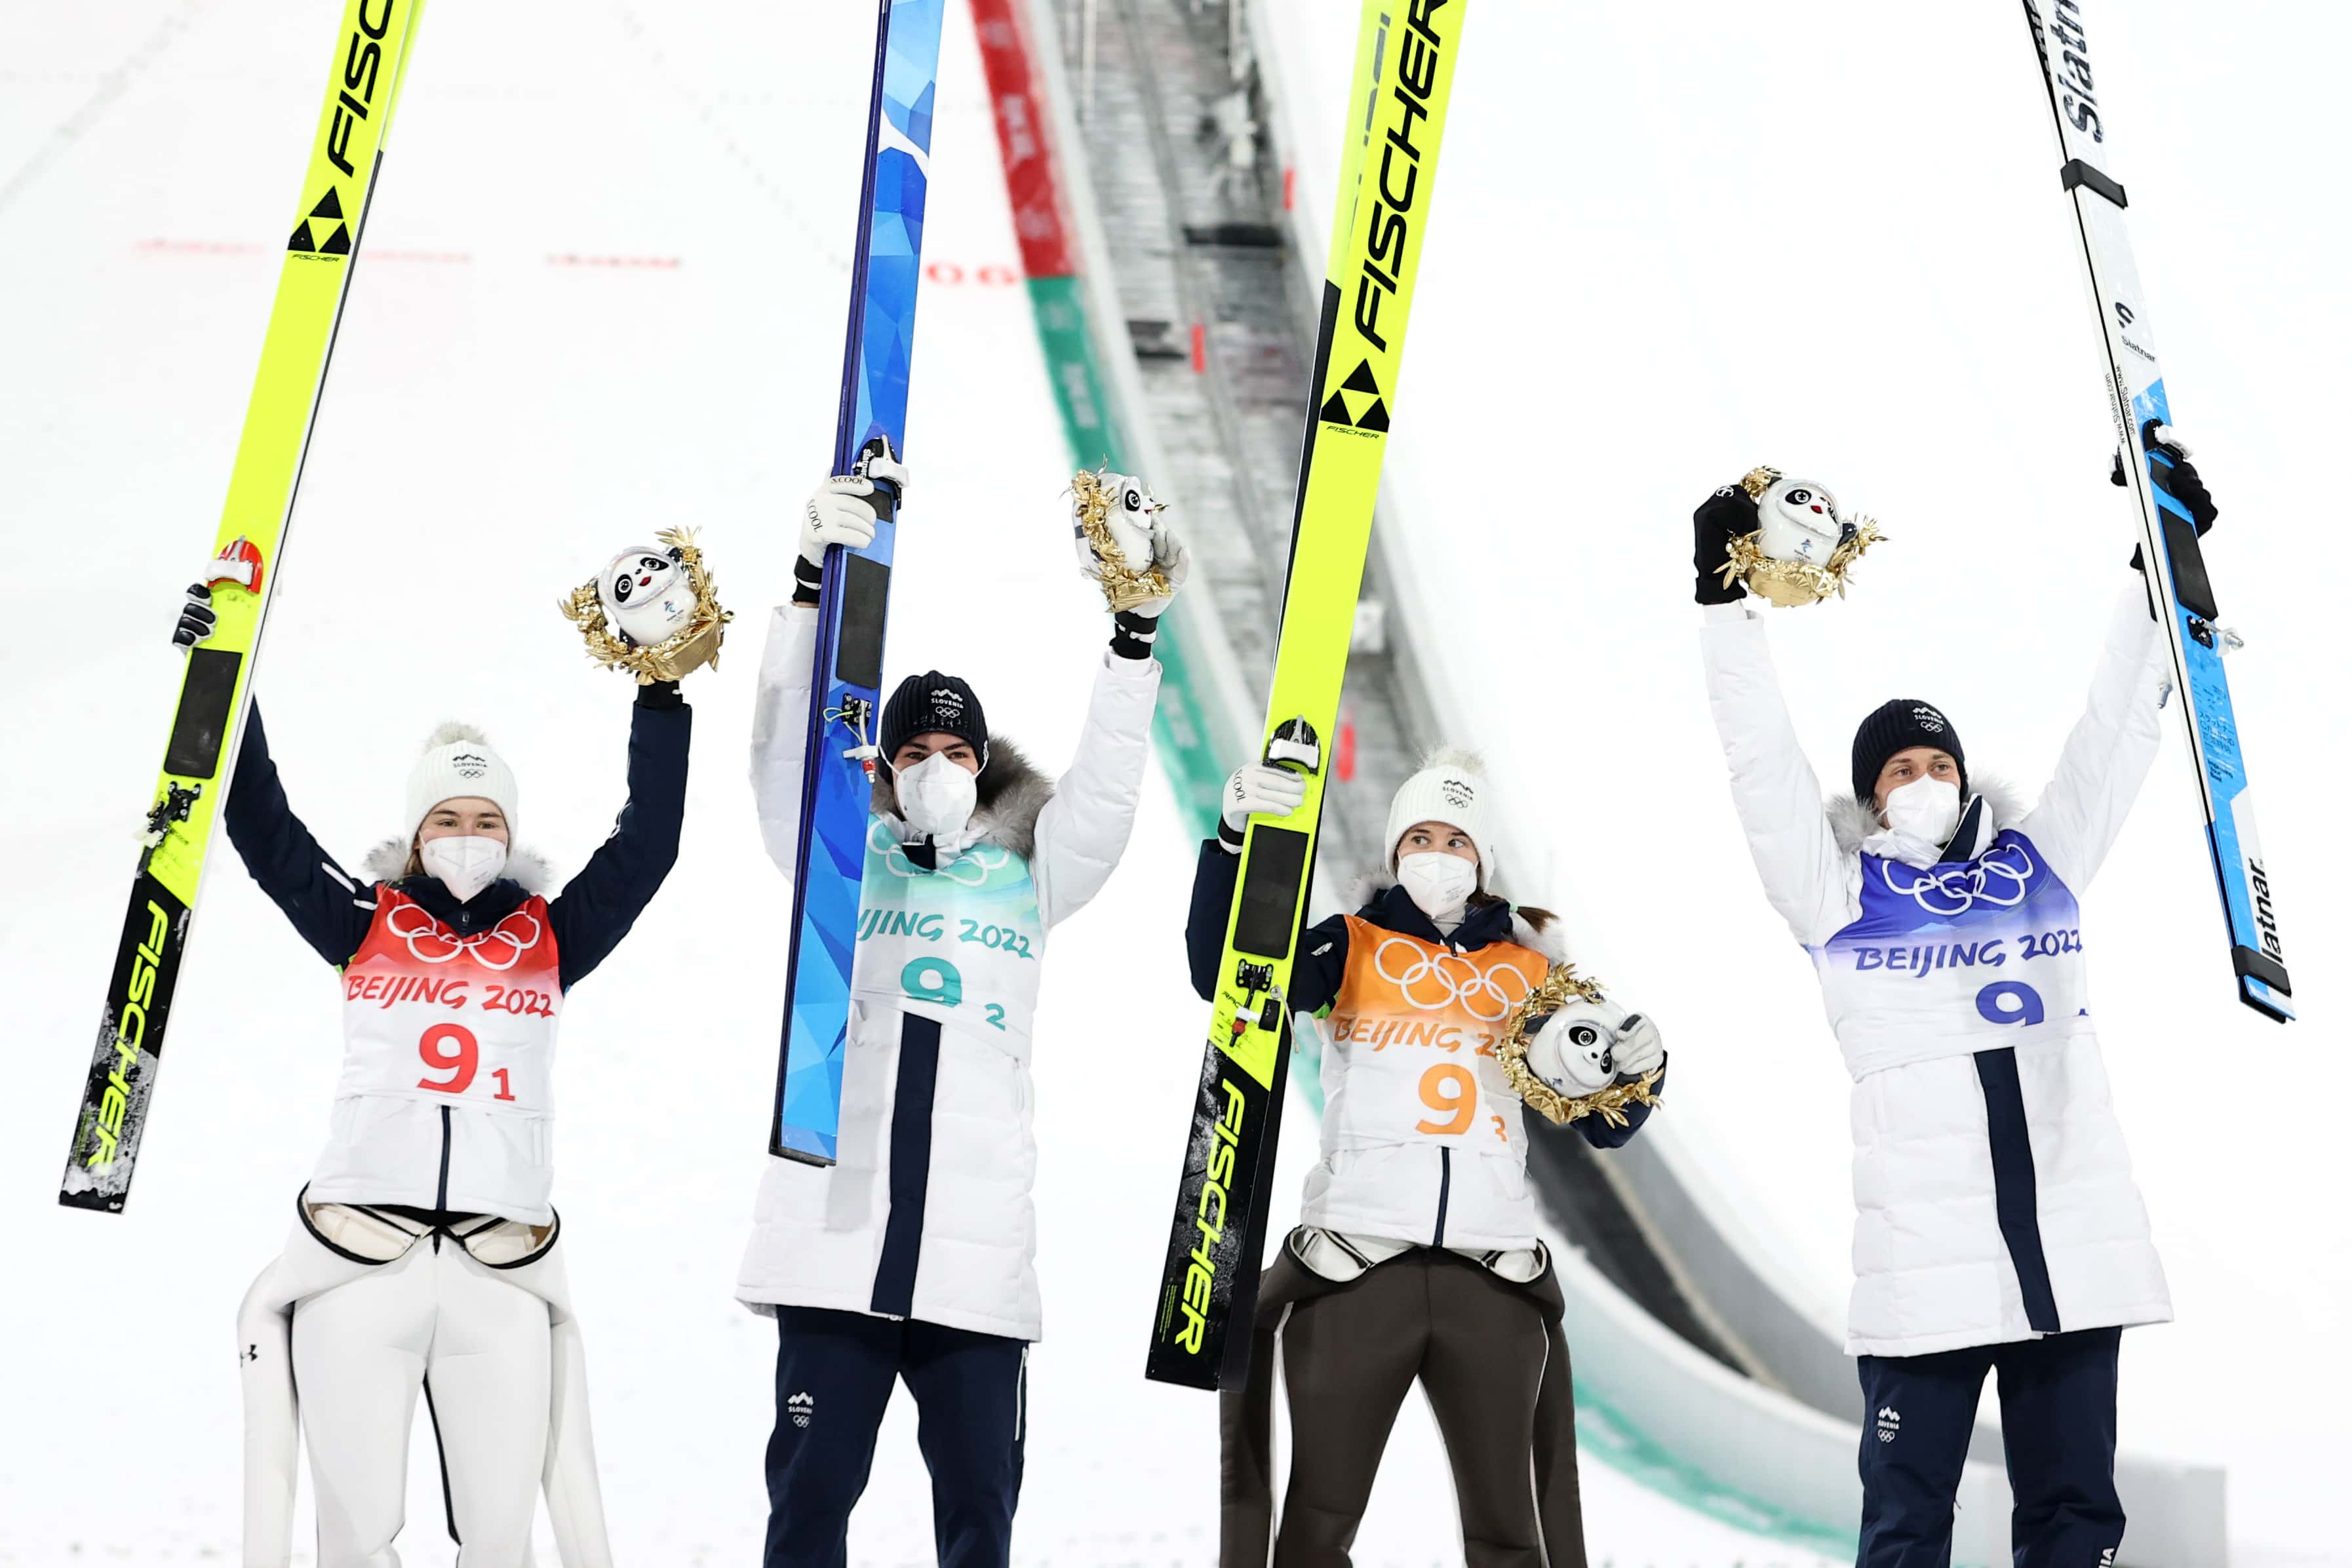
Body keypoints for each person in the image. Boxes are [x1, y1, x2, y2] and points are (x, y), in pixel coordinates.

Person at [1691, 427, 2222, 1565]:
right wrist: (1724, 607)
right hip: (1920, 1273)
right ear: (1869, 799)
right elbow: (1759, 767)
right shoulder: (1837, 896)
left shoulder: (2041, 862)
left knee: (2075, 1519)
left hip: (2067, 1255)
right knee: (1904, 1528)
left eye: (1939, 764)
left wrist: (2158, 564)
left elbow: (2113, 736)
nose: (1924, 779)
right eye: (1899, 769)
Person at [192, 568, 693, 1567]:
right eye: (448, 821)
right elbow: (264, 830)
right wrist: (222, 675)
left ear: (512, 833)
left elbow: (647, 848)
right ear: (416, 838)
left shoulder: (551, 937)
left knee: (502, 1539)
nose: (469, 838)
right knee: (355, 1537)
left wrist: (662, 694)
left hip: (498, 1271)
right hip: (359, 1260)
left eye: (486, 820)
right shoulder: (362, 920)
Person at [741, 459, 1186, 1567]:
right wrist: (806, 592)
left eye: (954, 752)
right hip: (834, 1249)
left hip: (974, 1265)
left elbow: (1108, 786)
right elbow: (780, 753)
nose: (934, 766)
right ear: (883, 764)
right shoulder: (841, 858)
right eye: (913, 752)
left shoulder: (1031, 867)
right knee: (808, 1510)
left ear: (983, 765)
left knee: (980, 1521)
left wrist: (1134, 639)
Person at [1186, 747, 1668, 1568]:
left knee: (1510, 1532)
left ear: (1482, 858)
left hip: (1491, 1274)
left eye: (1455, 840)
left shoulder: (1532, 976)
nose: (1436, 854)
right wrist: (1235, 845)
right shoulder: (1350, 944)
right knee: (1318, 1520)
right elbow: (1224, 975)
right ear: (1394, 849)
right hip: (1357, 1261)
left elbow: (1605, 1125)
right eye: (1420, 837)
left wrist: (1642, 1070)